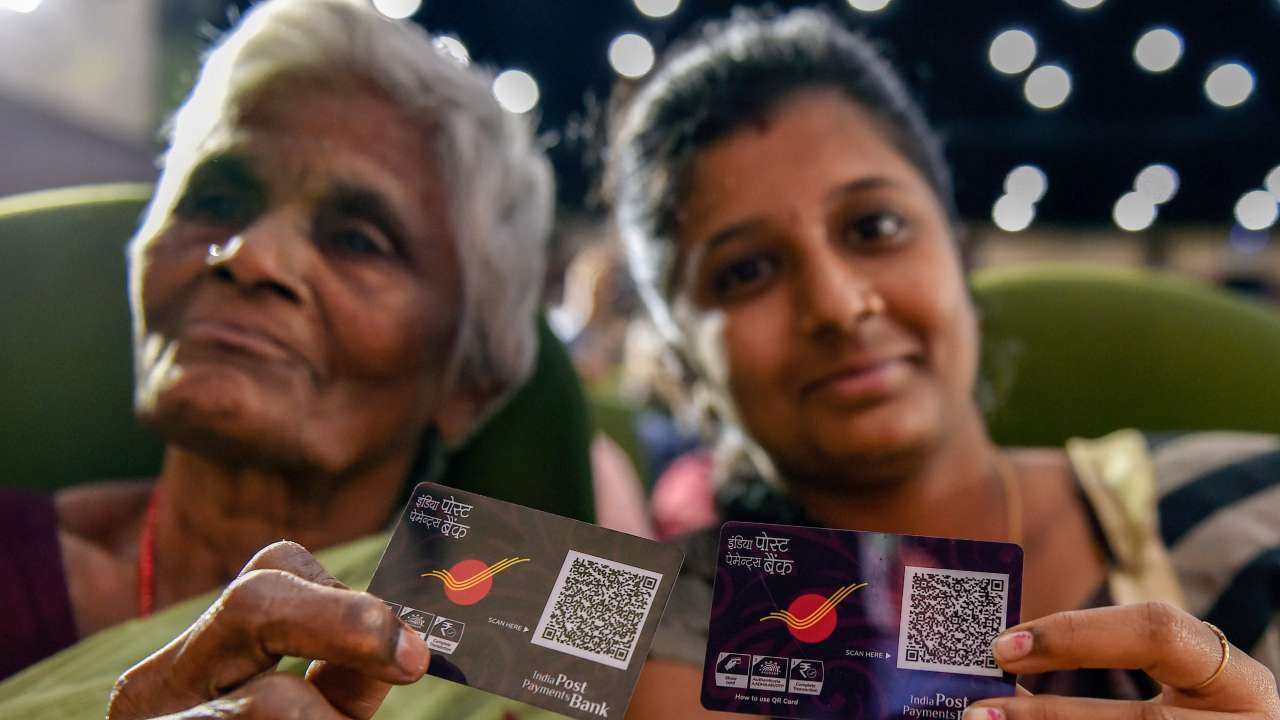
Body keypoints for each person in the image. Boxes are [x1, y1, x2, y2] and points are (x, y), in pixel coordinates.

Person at [604, 8, 1280, 720]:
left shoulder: (1252, 514)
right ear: (680, 360)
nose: (837, 305)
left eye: (875, 227)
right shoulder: (665, 638)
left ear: (958, 254)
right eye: (745, 273)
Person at [0, 0, 564, 715]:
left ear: (471, 382)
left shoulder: (534, 627)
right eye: (215, 200)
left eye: (359, 240)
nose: (250, 255)